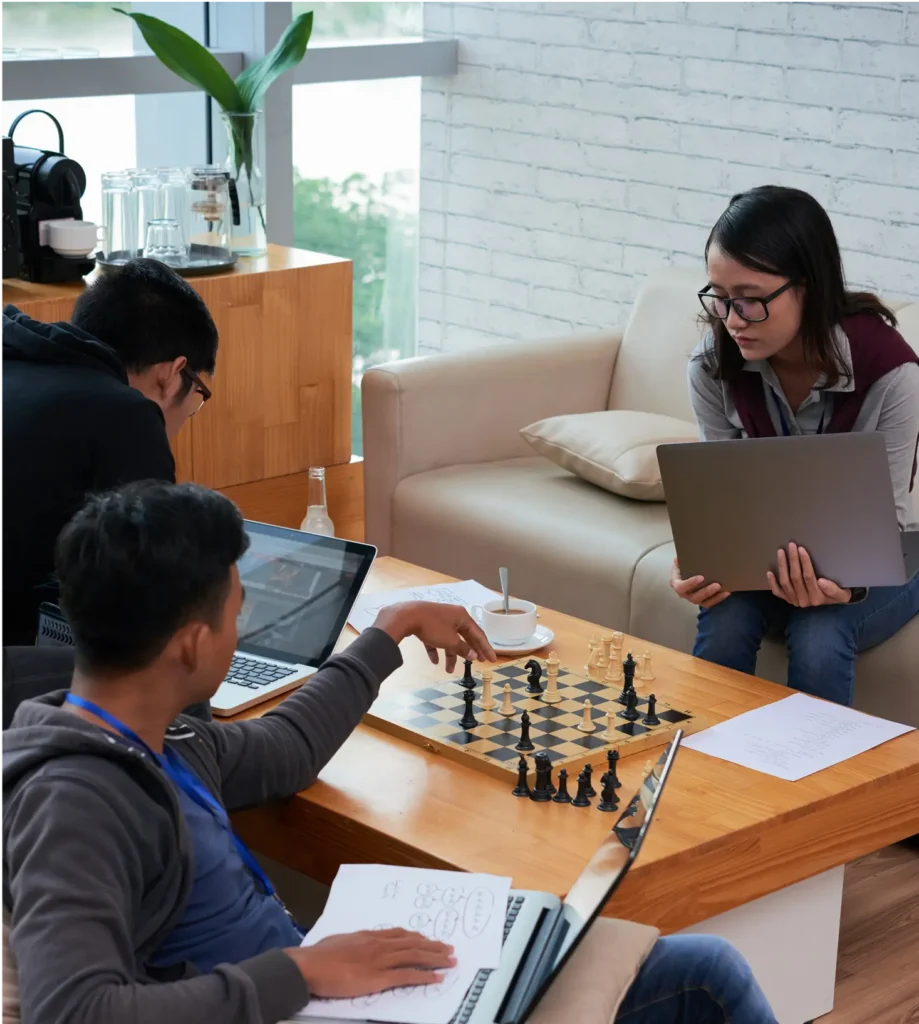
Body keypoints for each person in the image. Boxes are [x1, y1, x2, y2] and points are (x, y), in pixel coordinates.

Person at [0, 482, 776, 1024]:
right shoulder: (76, 802)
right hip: (303, 997)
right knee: (703, 981)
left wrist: (389, 630)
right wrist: (300, 971)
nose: (242, 631)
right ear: (192, 643)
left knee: (678, 962)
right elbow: (72, 1011)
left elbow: (282, 750)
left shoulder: (158, 737)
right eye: (237, 613)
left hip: (327, 990)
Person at [672, 185, 919, 706]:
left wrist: (844, 588)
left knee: (820, 632)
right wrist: (700, 560)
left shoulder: (893, 374)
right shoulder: (712, 366)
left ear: (808, 286)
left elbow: (891, 526)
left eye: (751, 299)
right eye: (720, 296)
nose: (732, 318)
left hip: (894, 556)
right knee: (725, 614)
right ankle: (705, 754)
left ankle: (810, 763)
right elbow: (719, 500)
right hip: (770, 551)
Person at [0, 257, 216, 647]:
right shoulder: (126, 417)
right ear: (172, 374)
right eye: (196, 397)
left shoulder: (13, 361)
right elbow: (150, 600)